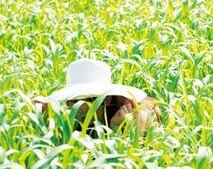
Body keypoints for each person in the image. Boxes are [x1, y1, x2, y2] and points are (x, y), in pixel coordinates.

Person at [31, 56, 159, 134]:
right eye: (72, 101)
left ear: (106, 100)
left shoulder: (134, 114)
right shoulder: (66, 117)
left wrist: (118, 131)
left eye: (85, 101)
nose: (76, 108)